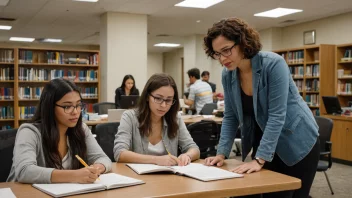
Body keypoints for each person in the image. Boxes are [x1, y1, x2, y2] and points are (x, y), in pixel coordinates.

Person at [203, 18, 320, 198]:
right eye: (217, 54)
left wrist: (259, 159)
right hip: (266, 142)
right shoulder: (228, 74)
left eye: (226, 50)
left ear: (243, 42)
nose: (222, 58)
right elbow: (231, 116)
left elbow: (277, 115)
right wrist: (222, 153)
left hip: (297, 141)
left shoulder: (273, 64)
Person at [7, 78, 111, 184]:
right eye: (67, 106)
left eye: (79, 105)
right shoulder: (29, 132)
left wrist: (95, 169)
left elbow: (103, 158)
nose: (75, 112)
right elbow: (25, 171)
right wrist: (75, 175)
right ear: (50, 107)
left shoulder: (81, 129)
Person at [113, 73, 200, 166]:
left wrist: (187, 155)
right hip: (137, 178)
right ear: (147, 96)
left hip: (170, 178)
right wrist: (156, 160)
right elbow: (119, 153)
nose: (163, 105)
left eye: (168, 100)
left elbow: (193, 148)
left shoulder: (175, 119)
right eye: (158, 98)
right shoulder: (130, 117)